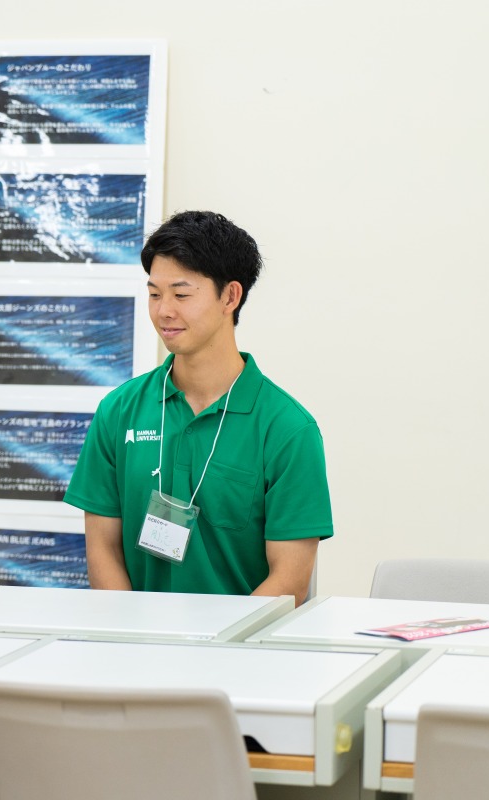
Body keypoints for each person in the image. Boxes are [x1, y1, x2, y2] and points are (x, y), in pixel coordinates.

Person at [65, 211, 333, 605]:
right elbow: (103, 549)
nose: (163, 311)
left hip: (242, 641)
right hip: (134, 637)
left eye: (181, 295)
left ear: (230, 297)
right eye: (154, 294)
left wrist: (217, 642)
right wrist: (129, 631)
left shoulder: (287, 429)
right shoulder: (118, 411)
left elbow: (289, 580)